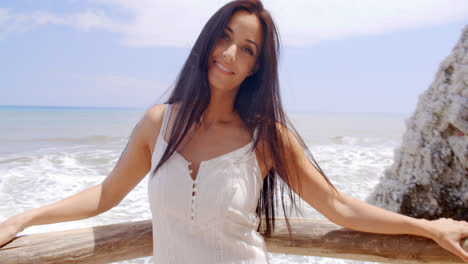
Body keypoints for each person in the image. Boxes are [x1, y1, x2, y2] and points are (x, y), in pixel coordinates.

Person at [1, 0, 467, 263]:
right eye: (224, 37)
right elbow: (105, 194)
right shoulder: (157, 123)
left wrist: (425, 227)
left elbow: (338, 206)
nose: (229, 54)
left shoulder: (267, 136)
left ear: (255, 69)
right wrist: (21, 219)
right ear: (208, 41)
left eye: (247, 49)